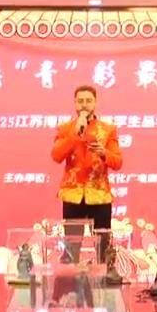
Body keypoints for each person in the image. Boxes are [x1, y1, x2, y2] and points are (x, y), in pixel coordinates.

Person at [49, 83, 122, 258]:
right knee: (71, 250)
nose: (84, 105)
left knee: (103, 249)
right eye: (80, 101)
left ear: (95, 103)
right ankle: (71, 274)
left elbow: (118, 162)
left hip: (99, 194)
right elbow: (56, 156)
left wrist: (104, 153)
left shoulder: (107, 129)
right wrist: (75, 134)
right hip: (73, 194)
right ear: (75, 103)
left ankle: (104, 272)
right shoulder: (65, 128)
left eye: (88, 101)